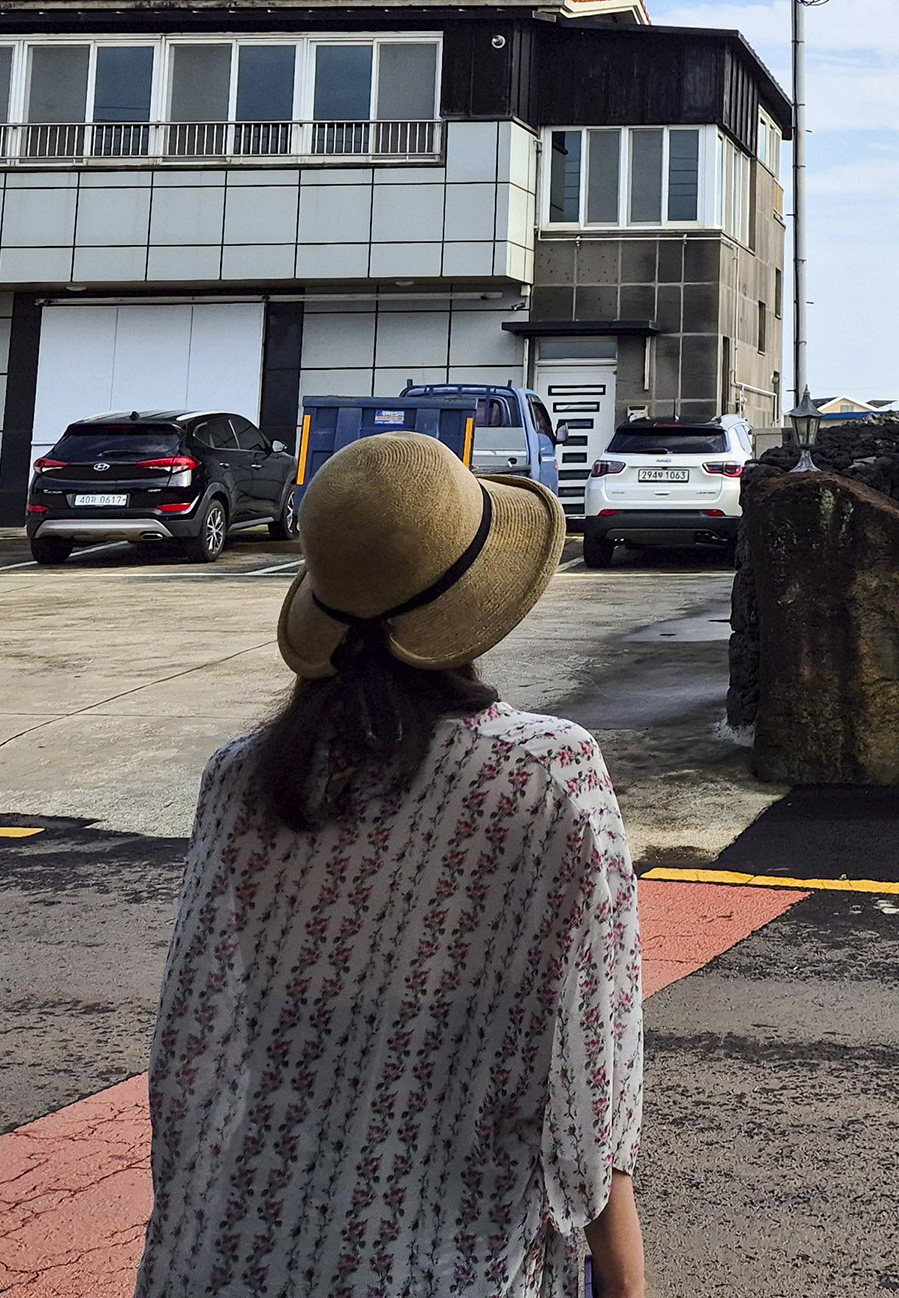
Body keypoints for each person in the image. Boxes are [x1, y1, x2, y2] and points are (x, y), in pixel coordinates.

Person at [135, 428, 647, 1298]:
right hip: (453, 1257)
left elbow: (191, 1054)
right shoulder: (544, 776)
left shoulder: (244, 780)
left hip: (241, 1247)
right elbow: (591, 1082)